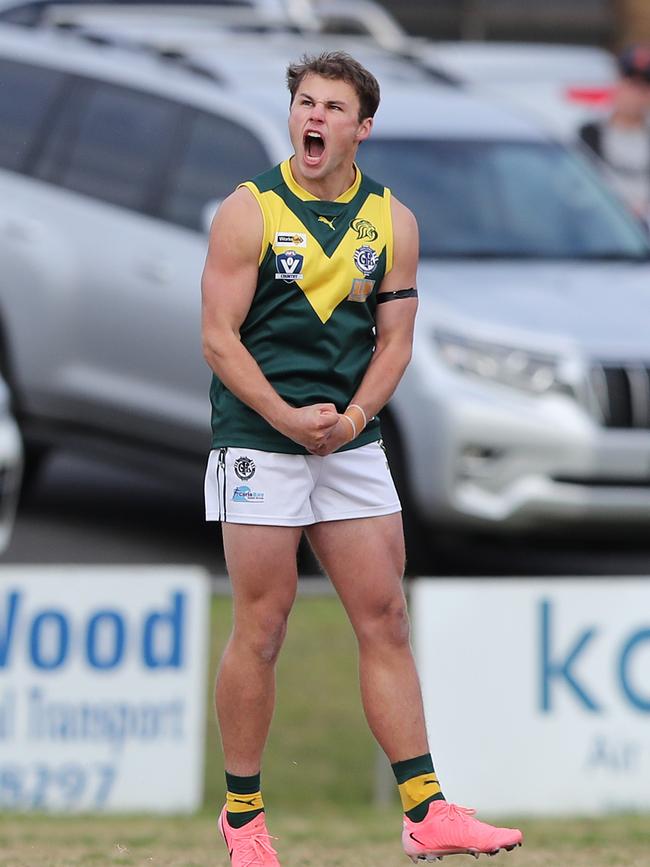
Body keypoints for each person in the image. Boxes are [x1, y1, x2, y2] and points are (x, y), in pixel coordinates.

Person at [201, 51, 523, 866]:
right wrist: (283, 416)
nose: (313, 117)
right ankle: (243, 820)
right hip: (258, 438)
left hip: (347, 438)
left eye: (332, 107)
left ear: (362, 128)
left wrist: (351, 419)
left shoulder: (393, 220)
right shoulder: (248, 212)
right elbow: (217, 338)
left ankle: (425, 808)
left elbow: (397, 341)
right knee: (263, 627)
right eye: (305, 102)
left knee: (385, 617)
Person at [579, 45, 650, 223]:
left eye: (644, 87)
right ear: (617, 82)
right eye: (631, 83)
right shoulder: (588, 135)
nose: (636, 94)